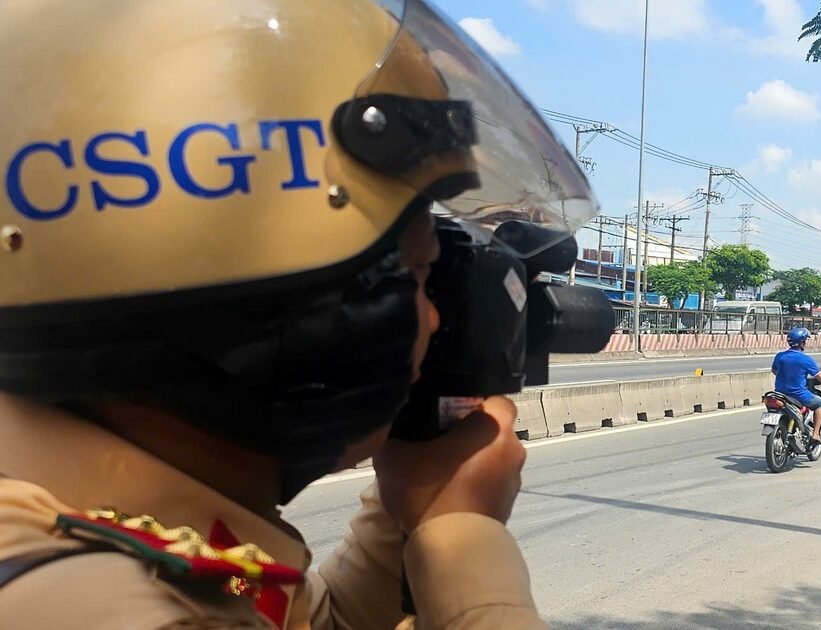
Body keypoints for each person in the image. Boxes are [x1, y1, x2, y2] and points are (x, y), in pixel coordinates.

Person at [0, 0, 598, 627]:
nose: (435, 321)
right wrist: (464, 541)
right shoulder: (91, 608)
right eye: (420, 279)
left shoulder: (111, 540)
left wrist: (417, 508)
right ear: (298, 305)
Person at [771, 328, 821, 445]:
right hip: (798, 395)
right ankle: (816, 434)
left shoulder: (779, 356)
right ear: (802, 342)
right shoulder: (805, 359)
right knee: (819, 403)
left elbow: (774, 370)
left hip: (779, 393)